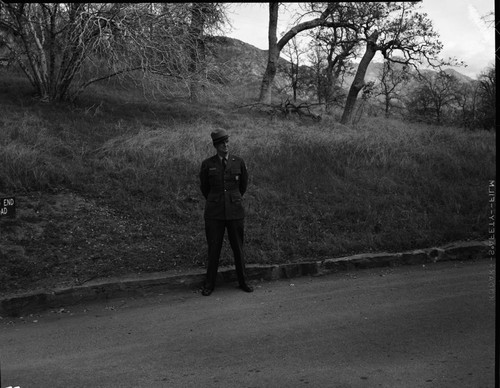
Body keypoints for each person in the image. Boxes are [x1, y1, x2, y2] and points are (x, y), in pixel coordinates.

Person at [199, 128, 253, 296]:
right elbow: (205, 189)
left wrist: (232, 199)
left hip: (235, 211)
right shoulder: (208, 164)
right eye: (222, 143)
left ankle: (243, 281)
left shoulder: (238, 162)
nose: (226, 145)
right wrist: (217, 200)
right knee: (214, 248)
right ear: (216, 145)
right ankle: (210, 284)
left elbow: (242, 186)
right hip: (214, 213)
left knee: (238, 247)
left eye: (227, 142)